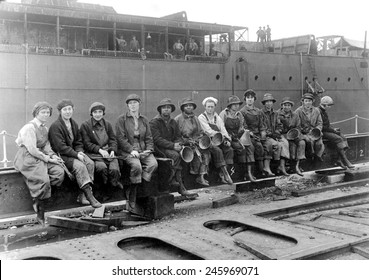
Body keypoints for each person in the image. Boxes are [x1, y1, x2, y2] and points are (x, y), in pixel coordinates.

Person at [14, 102, 65, 225]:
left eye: (48, 112)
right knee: (43, 180)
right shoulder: (29, 128)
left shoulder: (44, 128)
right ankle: (39, 207)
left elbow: (46, 145)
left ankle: (42, 196)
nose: (46, 115)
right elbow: (32, 149)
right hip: (28, 157)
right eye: (43, 112)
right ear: (36, 113)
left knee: (59, 173)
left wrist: (53, 156)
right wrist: (48, 159)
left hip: (41, 155)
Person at [49, 99, 102, 208]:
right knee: (80, 166)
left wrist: (80, 152)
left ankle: (83, 195)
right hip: (62, 156)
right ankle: (90, 196)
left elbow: (78, 141)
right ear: (60, 111)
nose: (68, 112)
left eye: (69, 109)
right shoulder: (56, 126)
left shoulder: (73, 123)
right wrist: (76, 155)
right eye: (65, 110)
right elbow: (61, 147)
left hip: (73, 153)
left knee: (90, 163)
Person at [115, 94, 158, 208]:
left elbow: (149, 137)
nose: (133, 105)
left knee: (153, 164)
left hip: (143, 148)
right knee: (136, 166)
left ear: (139, 104)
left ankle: (139, 186)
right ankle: (133, 193)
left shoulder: (144, 119)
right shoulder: (122, 119)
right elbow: (120, 138)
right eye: (130, 103)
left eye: (135, 103)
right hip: (127, 149)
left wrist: (149, 149)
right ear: (127, 106)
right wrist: (131, 150)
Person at [150, 98, 192, 195]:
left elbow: (178, 136)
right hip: (159, 148)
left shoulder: (173, 122)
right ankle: (174, 181)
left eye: (168, 107)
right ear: (160, 110)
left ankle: (179, 182)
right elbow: (157, 139)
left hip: (171, 147)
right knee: (175, 156)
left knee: (185, 155)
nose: (166, 109)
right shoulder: (154, 122)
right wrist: (173, 146)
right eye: (164, 107)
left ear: (171, 110)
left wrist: (179, 144)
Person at [80, 102, 123, 190]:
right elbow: (87, 143)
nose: (98, 114)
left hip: (108, 152)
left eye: (100, 112)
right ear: (91, 113)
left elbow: (113, 139)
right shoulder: (85, 125)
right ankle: (102, 190)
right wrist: (100, 150)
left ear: (103, 113)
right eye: (95, 112)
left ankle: (113, 187)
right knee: (101, 168)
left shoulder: (107, 124)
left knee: (114, 169)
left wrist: (112, 151)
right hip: (94, 154)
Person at [174, 97, 211, 186]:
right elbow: (176, 135)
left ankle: (201, 177)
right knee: (192, 153)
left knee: (206, 152)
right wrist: (186, 141)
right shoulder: (178, 119)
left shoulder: (195, 118)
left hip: (196, 142)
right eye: (186, 106)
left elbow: (200, 131)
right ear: (183, 108)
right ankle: (190, 179)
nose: (189, 107)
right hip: (184, 143)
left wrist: (200, 139)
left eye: (190, 105)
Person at [219, 95, 256, 182]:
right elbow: (221, 128)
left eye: (237, 104)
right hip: (226, 138)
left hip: (237, 138)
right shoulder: (224, 114)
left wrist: (242, 132)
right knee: (231, 150)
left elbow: (241, 126)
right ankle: (225, 174)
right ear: (230, 105)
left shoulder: (239, 114)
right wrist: (228, 138)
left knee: (250, 147)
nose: (236, 106)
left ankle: (247, 173)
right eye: (234, 104)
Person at [198, 97, 234, 184]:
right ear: (205, 107)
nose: (210, 109)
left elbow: (223, 129)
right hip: (207, 141)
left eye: (212, 107)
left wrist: (227, 139)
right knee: (218, 151)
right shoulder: (202, 117)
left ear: (214, 107)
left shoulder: (217, 117)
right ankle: (226, 174)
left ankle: (221, 175)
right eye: (208, 107)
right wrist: (219, 135)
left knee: (229, 150)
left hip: (219, 139)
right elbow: (208, 131)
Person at [319, 96, 354, 169]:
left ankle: (339, 160)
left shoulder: (324, 111)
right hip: (321, 132)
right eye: (329, 105)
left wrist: (334, 129)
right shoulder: (318, 111)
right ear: (324, 104)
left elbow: (327, 125)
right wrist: (333, 130)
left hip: (327, 130)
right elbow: (321, 126)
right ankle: (345, 160)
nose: (330, 107)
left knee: (343, 137)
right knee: (338, 139)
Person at [239, 89, 268, 177]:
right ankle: (249, 172)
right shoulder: (242, 111)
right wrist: (250, 133)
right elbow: (244, 126)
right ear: (245, 99)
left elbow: (261, 124)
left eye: (252, 97)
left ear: (254, 99)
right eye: (248, 98)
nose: (250, 99)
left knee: (261, 147)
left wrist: (263, 132)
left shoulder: (258, 111)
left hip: (257, 135)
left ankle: (261, 169)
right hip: (248, 136)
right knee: (250, 148)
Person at [260, 93, 289, 176]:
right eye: (267, 102)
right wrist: (271, 134)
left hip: (275, 135)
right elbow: (262, 126)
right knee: (277, 145)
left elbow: (279, 125)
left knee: (285, 143)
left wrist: (277, 132)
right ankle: (275, 164)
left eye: (270, 102)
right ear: (264, 103)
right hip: (267, 136)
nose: (269, 103)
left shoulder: (275, 113)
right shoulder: (261, 113)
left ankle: (282, 165)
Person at [277, 97, 305, 176]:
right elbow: (278, 127)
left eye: (289, 105)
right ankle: (286, 166)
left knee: (302, 142)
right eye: (285, 105)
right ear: (282, 106)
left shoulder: (295, 115)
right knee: (290, 146)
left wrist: (295, 133)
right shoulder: (278, 114)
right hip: (283, 135)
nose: (287, 107)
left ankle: (297, 165)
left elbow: (298, 126)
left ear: (291, 106)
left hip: (294, 134)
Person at [294, 93, 324, 162]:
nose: (308, 103)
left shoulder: (316, 110)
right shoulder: (298, 111)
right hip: (304, 133)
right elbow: (296, 125)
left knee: (319, 144)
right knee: (308, 142)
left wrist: (317, 130)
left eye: (309, 101)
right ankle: (308, 157)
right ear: (303, 102)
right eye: (306, 101)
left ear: (312, 101)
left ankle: (318, 156)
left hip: (315, 132)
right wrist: (302, 131)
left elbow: (320, 123)